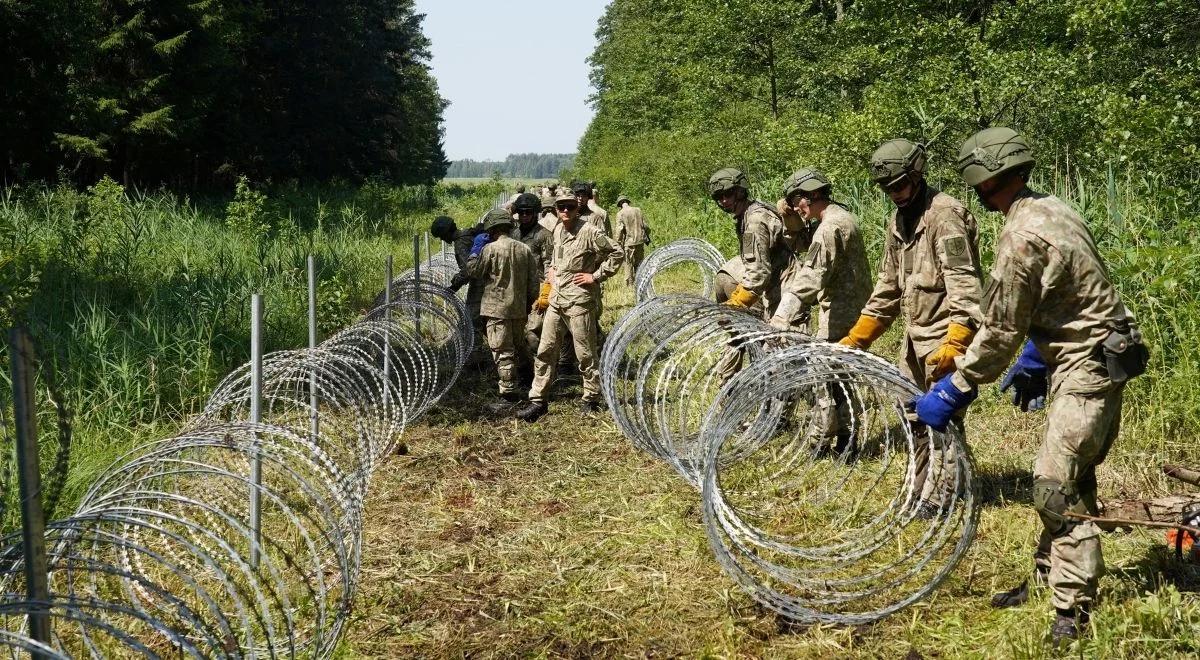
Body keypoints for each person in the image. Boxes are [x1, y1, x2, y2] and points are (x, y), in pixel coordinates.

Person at [911, 127, 1148, 644]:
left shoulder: (1020, 236)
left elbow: (1000, 328)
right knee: (1073, 475)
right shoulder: (1050, 207)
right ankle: (1050, 576)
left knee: (1053, 484)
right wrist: (1038, 355)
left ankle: (1073, 609)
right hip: (1097, 351)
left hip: (1087, 363)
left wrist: (957, 386)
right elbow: (1073, 289)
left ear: (983, 180)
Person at [838, 139, 984, 514]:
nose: (894, 194)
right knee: (914, 419)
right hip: (913, 341)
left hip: (944, 339)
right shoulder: (899, 219)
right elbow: (889, 285)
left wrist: (957, 342)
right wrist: (857, 338)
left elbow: (965, 289)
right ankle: (922, 487)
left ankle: (945, 496)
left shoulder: (945, 216)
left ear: (917, 176)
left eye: (900, 186)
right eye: (887, 189)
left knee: (941, 421)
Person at [768, 169, 873, 455]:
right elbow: (799, 243)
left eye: (796, 200)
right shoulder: (839, 217)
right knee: (840, 378)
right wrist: (789, 218)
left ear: (811, 196)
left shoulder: (829, 227)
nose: (795, 207)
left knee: (823, 377)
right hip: (850, 307)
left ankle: (822, 439)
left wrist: (781, 317)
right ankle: (846, 440)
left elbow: (810, 276)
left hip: (841, 311)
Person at [516, 192, 624, 422]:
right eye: (561, 207)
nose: (565, 211)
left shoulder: (589, 231)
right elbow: (556, 261)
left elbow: (617, 252)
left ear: (577, 208)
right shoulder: (557, 229)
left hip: (579, 300)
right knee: (545, 350)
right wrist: (550, 281)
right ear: (556, 209)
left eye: (570, 207)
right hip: (557, 299)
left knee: (584, 352)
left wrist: (595, 276)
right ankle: (538, 400)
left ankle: (591, 397)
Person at [466, 208, 540, 403]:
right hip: (519, 307)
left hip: (496, 309)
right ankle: (530, 378)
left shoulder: (489, 249)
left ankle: (508, 392)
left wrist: (474, 254)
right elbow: (534, 283)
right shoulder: (524, 249)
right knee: (519, 345)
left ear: (491, 228)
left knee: (502, 350)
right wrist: (529, 304)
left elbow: (475, 272)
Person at [708, 168, 792, 317]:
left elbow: (758, 272)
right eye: (719, 197)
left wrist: (738, 303)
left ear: (740, 191)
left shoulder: (754, 221)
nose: (724, 201)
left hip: (784, 286)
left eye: (728, 194)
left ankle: (754, 325)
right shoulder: (747, 214)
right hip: (773, 278)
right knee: (724, 278)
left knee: (779, 339)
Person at [510, 193, 554, 370]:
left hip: (537, 291)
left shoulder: (544, 235)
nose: (524, 216)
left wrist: (546, 293)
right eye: (521, 213)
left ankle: (541, 371)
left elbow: (550, 265)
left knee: (533, 332)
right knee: (516, 334)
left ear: (536, 213)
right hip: (515, 291)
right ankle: (525, 369)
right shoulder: (513, 234)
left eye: (528, 212)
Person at [430, 215, 485, 330]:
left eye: (442, 236)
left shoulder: (460, 243)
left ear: (446, 233)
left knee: (471, 318)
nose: (442, 239)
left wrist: (454, 286)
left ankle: (476, 347)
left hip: (480, 281)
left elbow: (468, 271)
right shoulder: (468, 233)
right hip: (486, 277)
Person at [614, 194, 650, 286]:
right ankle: (641, 282)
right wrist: (646, 237)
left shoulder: (620, 214)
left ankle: (630, 285)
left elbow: (619, 231)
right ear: (627, 202)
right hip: (640, 241)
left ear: (620, 204)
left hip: (629, 243)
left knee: (628, 264)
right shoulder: (638, 210)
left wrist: (617, 244)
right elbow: (646, 226)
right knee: (639, 263)